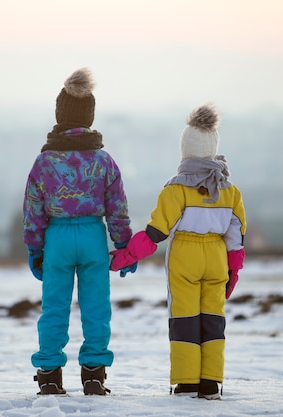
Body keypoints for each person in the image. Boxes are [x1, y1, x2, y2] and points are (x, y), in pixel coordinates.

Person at [109, 104, 246, 400]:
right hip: (217, 258)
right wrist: (233, 272)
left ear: (185, 151)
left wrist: (124, 257)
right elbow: (237, 237)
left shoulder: (176, 189)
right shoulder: (229, 191)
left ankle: (186, 382)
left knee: (184, 318)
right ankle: (210, 381)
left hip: (185, 257)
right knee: (213, 319)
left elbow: (156, 233)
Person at [23, 68, 134, 396]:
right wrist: (124, 244)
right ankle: (94, 375)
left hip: (56, 238)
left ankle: (49, 374)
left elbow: (33, 208)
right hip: (92, 237)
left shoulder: (45, 162)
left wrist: (35, 248)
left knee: (54, 306)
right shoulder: (103, 160)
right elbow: (117, 205)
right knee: (96, 306)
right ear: (89, 116)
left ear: (60, 115)